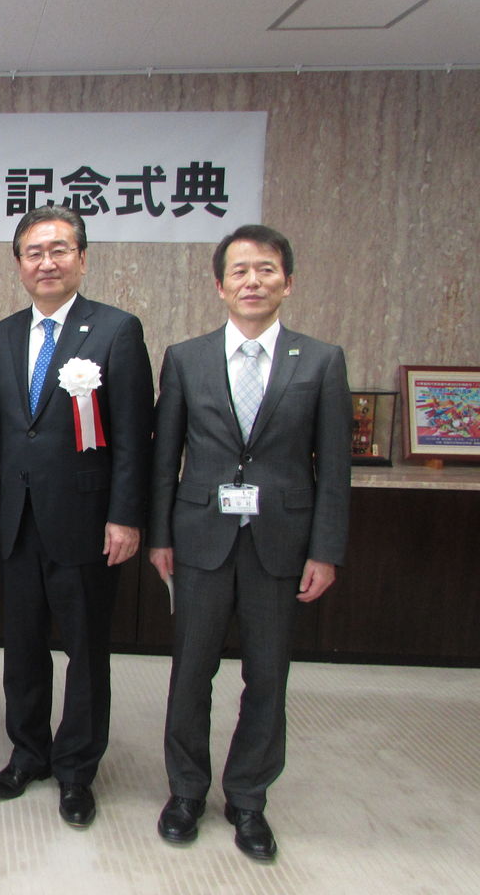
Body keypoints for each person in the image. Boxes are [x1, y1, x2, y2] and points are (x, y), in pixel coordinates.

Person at [148, 224, 350, 860]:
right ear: (220, 285)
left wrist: (325, 550)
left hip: (281, 544)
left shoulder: (320, 361)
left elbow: (334, 467)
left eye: (266, 269)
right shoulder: (186, 358)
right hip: (200, 540)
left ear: (287, 282)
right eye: (239, 271)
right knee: (191, 671)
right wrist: (159, 535)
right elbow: (164, 458)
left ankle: (248, 798)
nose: (252, 281)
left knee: (267, 675)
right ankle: (186, 791)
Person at [0, 205, 153, 828]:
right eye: (34, 252)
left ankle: (77, 768)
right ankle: (28, 753)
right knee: (22, 647)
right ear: (18, 264)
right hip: (16, 520)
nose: (46, 262)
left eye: (59, 250)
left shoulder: (116, 330)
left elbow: (134, 434)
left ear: (81, 257)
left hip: (86, 519)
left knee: (85, 651)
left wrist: (125, 516)